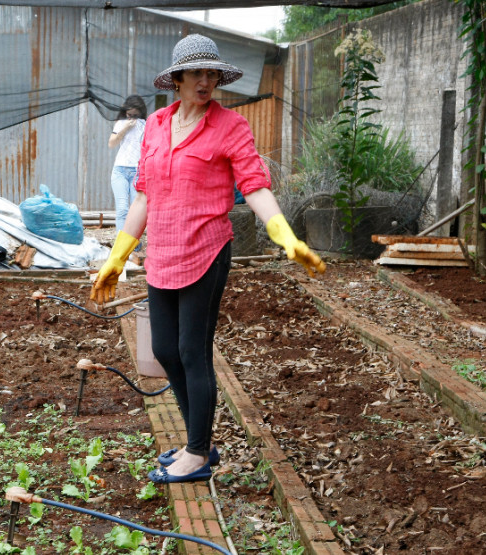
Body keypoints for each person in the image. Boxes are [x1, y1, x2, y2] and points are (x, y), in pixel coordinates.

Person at [90, 34, 326, 485]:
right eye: (196, 72)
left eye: (211, 72)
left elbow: (254, 186)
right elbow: (143, 196)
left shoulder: (231, 128)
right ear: (177, 79)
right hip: (162, 252)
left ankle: (197, 452)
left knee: (191, 351)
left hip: (206, 250)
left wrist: (284, 235)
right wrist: (116, 258)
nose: (205, 80)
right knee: (163, 349)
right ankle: (197, 437)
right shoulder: (156, 124)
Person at [108, 95, 146, 239]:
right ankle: (120, 245)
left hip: (137, 171)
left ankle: (133, 244)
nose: (132, 118)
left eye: (135, 115)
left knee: (135, 211)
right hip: (120, 170)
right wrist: (125, 128)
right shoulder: (120, 123)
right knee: (122, 208)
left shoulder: (146, 125)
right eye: (129, 114)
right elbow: (111, 144)